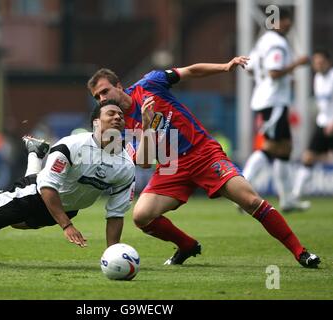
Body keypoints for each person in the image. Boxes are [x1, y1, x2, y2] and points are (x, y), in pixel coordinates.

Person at [87, 59, 320, 268]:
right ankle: (187, 246)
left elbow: (190, 71)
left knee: (251, 201)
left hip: (204, 154)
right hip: (171, 167)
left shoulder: (149, 84)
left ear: (118, 86)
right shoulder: (118, 126)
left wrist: (225, 66)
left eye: (105, 91)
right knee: (141, 216)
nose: (103, 99)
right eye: (97, 97)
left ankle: (300, 252)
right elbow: (145, 163)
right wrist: (147, 128)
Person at [0, 100, 135, 248]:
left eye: (120, 115)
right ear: (96, 122)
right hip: (34, 194)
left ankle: (35, 152)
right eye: (111, 113)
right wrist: (67, 226)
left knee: (16, 223)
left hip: (65, 208)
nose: (117, 117)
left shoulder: (125, 165)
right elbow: (47, 188)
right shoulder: (71, 146)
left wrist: (112, 251)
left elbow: (116, 214)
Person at [242, 7, 310, 212]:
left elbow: (250, 68)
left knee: (285, 147)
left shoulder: (263, 41)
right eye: (288, 20)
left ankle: (287, 198)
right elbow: (274, 72)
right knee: (272, 147)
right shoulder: (277, 43)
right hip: (273, 101)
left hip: (269, 100)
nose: (290, 24)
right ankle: (240, 191)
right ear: (280, 21)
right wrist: (297, 63)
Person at [293, 49, 333, 201]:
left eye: (321, 62)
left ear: (328, 62)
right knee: (308, 157)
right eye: (316, 63)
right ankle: (296, 194)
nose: (318, 65)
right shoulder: (317, 78)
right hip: (323, 124)